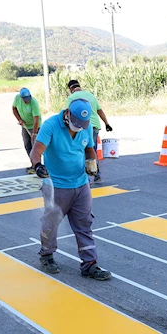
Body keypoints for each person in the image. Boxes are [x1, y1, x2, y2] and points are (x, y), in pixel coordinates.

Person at [30, 99, 111, 281]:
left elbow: (89, 149)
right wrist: (37, 166)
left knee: (84, 224)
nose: (78, 128)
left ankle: (89, 264)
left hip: (81, 184)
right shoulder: (51, 125)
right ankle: (46, 255)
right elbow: (36, 151)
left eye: (82, 125)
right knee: (51, 223)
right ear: (67, 113)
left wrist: (92, 163)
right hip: (57, 186)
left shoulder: (85, 127)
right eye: (76, 124)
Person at [66, 79, 111, 183]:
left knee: (81, 150)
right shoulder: (91, 95)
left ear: (71, 89)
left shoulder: (72, 98)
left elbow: (68, 113)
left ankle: (84, 178)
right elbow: (100, 111)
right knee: (92, 150)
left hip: (81, 125)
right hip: (94, 125)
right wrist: (107, 123)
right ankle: (96, 174)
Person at [12, 87, 41, 173]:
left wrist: (34, 133)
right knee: (27, 145)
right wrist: (19, 120)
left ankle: (38, 166)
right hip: (25, 126)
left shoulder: (34, 102)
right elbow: (14, 109)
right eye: (25, 99)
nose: (27, 101)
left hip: (35, 126)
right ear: (21, 97)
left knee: (35, 147)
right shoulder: (17, 98)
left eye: (28, 98)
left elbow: (36, 119)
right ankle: (34, 165)